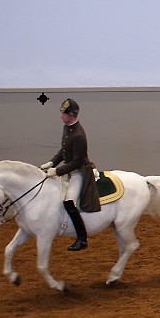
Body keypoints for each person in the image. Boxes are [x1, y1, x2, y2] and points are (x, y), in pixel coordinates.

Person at [40, 98, 100, 251]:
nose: (61, 116)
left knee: (69, 202)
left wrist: (57, 171)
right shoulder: (67, 128)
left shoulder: (79, 135)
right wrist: (52, 162)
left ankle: (82, 238)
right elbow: (64, 150)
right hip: (68, 170)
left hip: (78, 172)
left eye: (63, 114)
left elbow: (76, 161)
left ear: (71, 115)